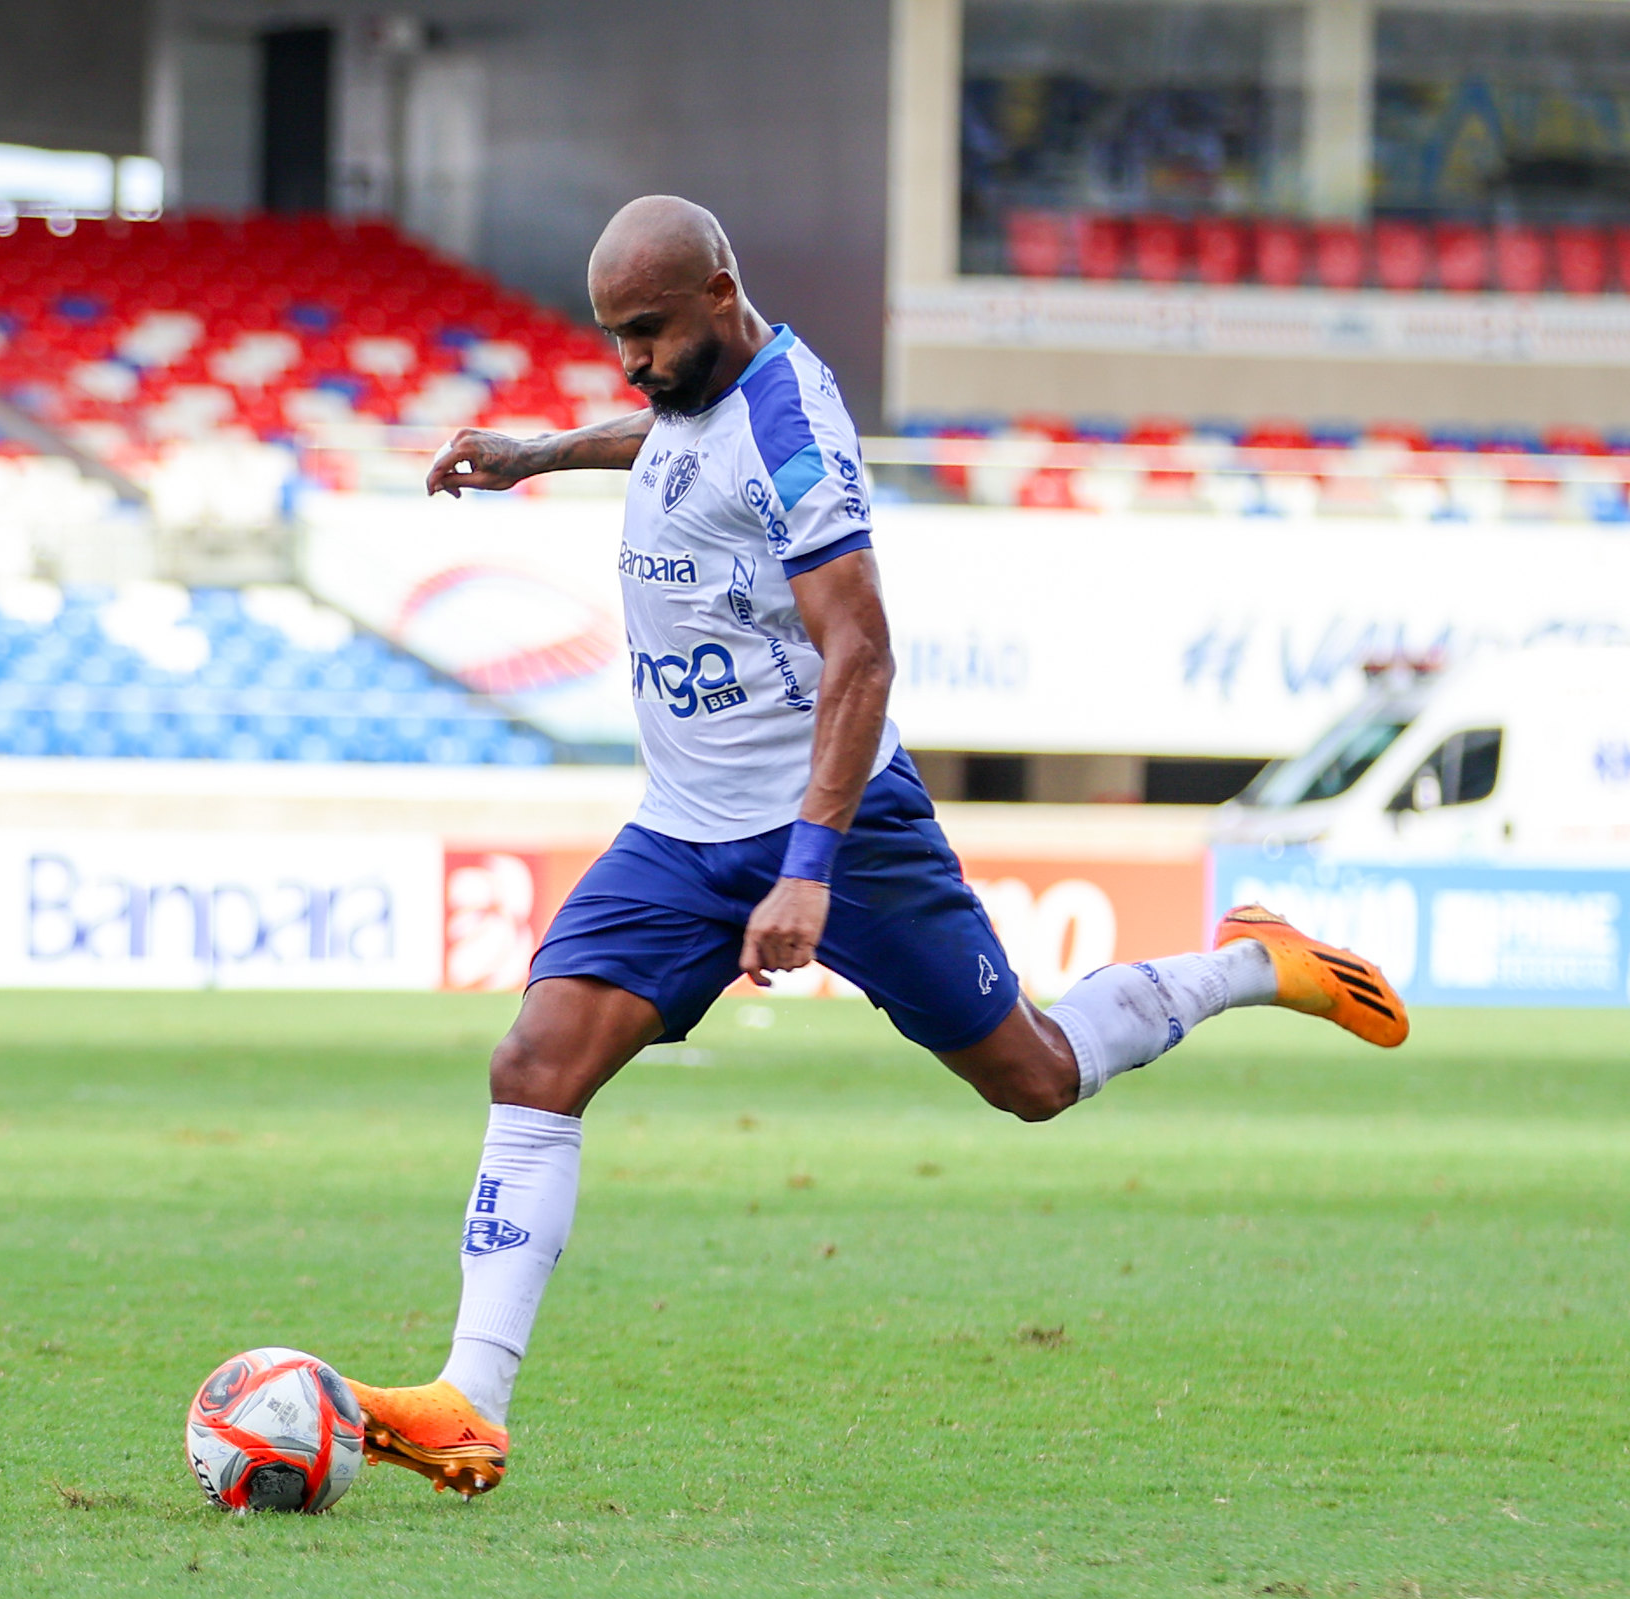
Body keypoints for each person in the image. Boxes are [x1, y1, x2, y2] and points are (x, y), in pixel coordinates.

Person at [345, 195, 1408, 1497]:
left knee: (1034, 1074)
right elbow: (672, 438)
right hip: (682, 831)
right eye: (614, 335)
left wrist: (807, 865)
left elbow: (863, 650)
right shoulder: (696, 392)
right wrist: (539, 452)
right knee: (536, 1060)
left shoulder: (795, 428)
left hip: (837, 829)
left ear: (720, 292)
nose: (630, 361)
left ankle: (1254, 962)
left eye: (647, 334)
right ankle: (470, 1399)